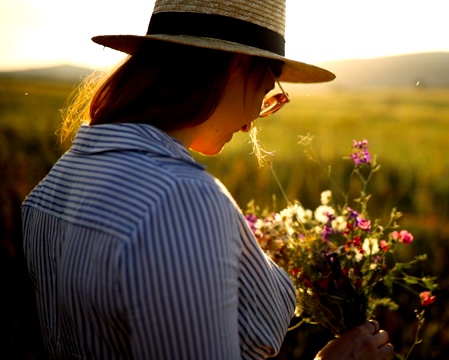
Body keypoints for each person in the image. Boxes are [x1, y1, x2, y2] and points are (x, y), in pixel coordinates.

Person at [21, 0, 395, 359]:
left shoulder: (52, 186)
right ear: (238, 64)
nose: (252, 122)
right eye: (266, 92)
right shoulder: (184, 199)